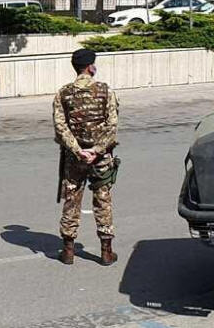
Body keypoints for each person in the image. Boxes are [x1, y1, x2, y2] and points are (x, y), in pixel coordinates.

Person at [53, 48, 119, 266]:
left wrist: (77, 150)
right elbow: (112, 125)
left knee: (71, 199)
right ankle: (106, 252)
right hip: (100, 159)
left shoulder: (63, 93)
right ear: (91, 67)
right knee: (103, 200)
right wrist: (97, 150)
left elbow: (61, 127)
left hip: (75, 159)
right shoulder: (105, 90)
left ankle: (68, 250)